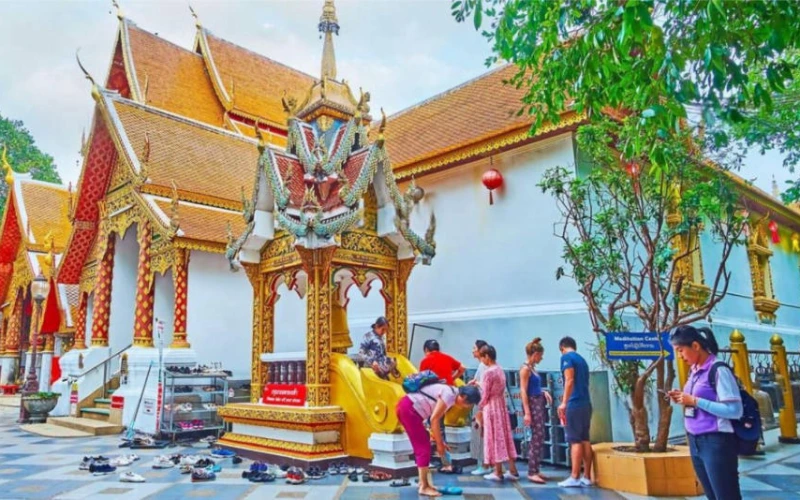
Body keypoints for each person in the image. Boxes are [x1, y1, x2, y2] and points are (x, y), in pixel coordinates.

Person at [668, 325, 743, 500]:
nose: (679, 356)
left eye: (681, 350)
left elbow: (734, 410)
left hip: (716, 441)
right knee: (712, 495)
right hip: (696, 441)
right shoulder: (694, 371)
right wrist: (681, 397)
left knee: (726, 495)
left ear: (695, 346)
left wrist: (695, 401)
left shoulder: (718, 370)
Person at [396, 383, 481, 497]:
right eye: (469, 404)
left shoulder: (451, 394)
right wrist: (439, 445)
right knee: (423, 448)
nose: (468, 407)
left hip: (409, 409)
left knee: (424, 442)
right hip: (409, 410)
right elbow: (434, 420)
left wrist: (441, 442)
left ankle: (424, 483)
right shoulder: (449, 395)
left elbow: (436, 419)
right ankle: (424, 487)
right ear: (464, 397)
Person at [476, 345, 519, 481]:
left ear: (487, 356)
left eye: (482, 357)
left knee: (493, 437)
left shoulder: (488, 372)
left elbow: (486, 393)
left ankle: (498, 471)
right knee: (504, 436)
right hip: (501, 405)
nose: (481, 360)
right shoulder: (499, 369)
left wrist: (480, 408)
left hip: (491, 407)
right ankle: (513, 470)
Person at [557, 336, 593, 488]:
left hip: (575, 403)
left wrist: (564, 402)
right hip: (586, 404)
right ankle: (587, 476)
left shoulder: (566, 357)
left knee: (574, 440)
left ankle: (574, 476)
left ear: (562, 348)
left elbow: (569, 380)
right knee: (585, 439)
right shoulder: (582, 360)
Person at [520, 338, 553, 484]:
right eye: (540, 355)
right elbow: (523, 391)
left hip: (537, 401)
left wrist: (543, 392)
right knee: (536, 436)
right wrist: (527, 412)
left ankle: (536, 468)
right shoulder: (525, 369)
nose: (541, 358)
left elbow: (534, 387)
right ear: (534, 354)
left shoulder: (533, 368)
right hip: (532, 404)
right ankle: (532, 471)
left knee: (540, 436)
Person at [468, 340, 491, 476]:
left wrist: (476, 383)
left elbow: (484, 385)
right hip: (483, 402)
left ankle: (484, 464)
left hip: (482, 402)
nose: (472, 350)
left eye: (474, 348)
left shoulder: (484, 366)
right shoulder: (484, 365)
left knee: (481, 433)